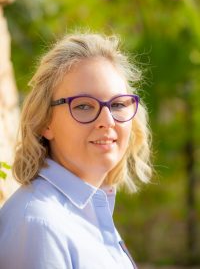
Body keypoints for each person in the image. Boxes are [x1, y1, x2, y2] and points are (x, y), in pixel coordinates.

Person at [0, 32, 152, 269]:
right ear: (45, 122)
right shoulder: (39, 225)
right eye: (83, 105)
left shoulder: (89, 212)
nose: (107, 120)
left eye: (118, 104)